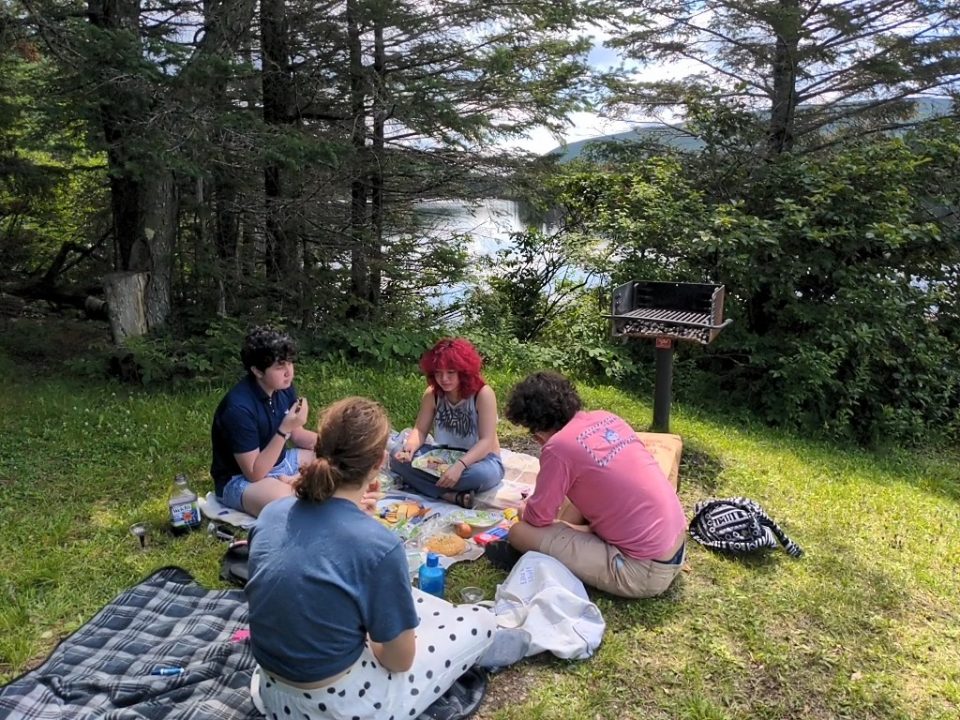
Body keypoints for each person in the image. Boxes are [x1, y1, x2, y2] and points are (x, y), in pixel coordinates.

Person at [245, 397, 497, 720]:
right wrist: (373, 640)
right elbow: (398, 660)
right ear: (380, 461)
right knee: (480, 623)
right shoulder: (378, 545)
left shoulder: (272, 513)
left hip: (271, 690)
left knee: (407, 604)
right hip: (340, 705)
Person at [495, 371, 687, 599]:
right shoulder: (607, 418)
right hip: (674, 546)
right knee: (577, 490)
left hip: (644, 571)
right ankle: (568, 539)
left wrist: (524, 508)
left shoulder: (558, 447)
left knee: (519, 532)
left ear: (535, 428)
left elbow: (537, 518)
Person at [210, 326, 316, 517]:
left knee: (338, 464)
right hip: (241, 479)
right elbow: (254, 472)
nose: (288, 372)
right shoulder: (238, 408)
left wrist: (338, 443)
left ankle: (293, 479)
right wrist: (284, 429)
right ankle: (294, 482)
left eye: (290, 363)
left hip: (282, 462)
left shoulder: (283, 387)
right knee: (292, 505)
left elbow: (299, 435)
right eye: (280, 366)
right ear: (257, 371)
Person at [389, 337, 504, 508]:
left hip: (481, 460)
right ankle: (452, 495)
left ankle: (434, 489)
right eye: (438, 373)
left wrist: (459, 467)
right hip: (441, 457)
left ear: (463, 372)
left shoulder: (483, 394)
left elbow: (486, 441)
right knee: (396, 457)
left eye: (451, 372)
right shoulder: (432, 394)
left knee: (477, 476)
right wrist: (409, 449)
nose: (444, 379)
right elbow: (420, 430)